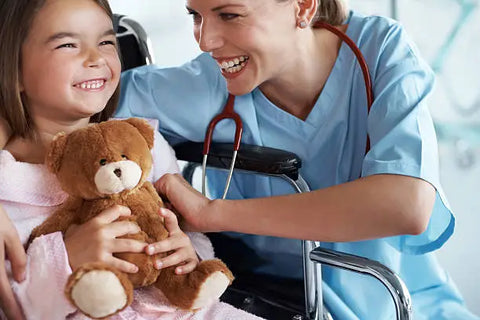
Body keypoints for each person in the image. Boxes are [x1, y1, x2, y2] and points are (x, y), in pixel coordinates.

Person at [115, 0, 479, 319]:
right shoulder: (210, 83)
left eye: (229, 15)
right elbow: (91, 114)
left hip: (402, 297)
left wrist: (211, 212)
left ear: (303, 6)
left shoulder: (380, 50)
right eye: (196, 15)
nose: (206, 40)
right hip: (279, 298)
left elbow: (407, 204)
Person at [0, 0, 262, 319]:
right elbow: (12, 305)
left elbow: (174, 224)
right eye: (68, 44)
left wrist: (185, 252)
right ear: (14, 71)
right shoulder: (8, 184)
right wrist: (66, 260)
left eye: (106, 42)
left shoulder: (140, 144)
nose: (96, 58)